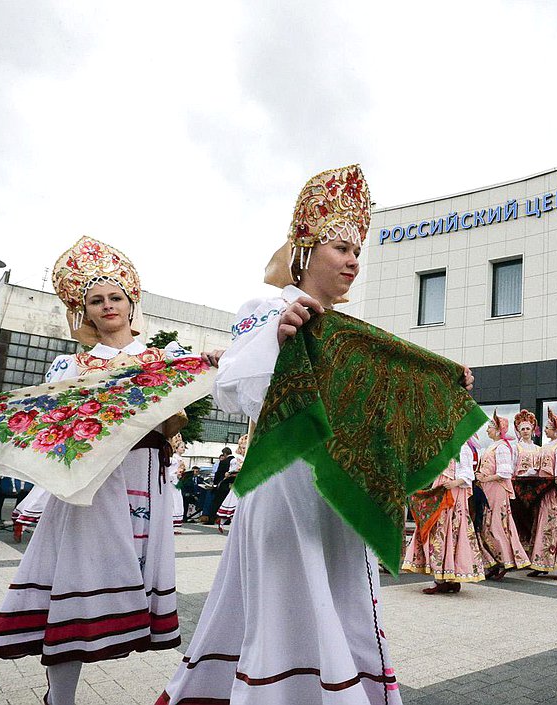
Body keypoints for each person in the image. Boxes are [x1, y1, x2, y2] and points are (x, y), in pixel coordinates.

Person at [159, 164, 475, 704]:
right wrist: (279, 342)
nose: (354, 260)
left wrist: (437, 390)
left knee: (345, 604)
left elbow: (374, 418)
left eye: (358, 252)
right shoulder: (266, 310)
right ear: (306, 247)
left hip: (340, 496)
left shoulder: (351, 337)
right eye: (341, 247)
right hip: (286, 489)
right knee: (286, 610)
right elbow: (236, 386)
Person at [0, 236, 217, 705]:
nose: (107, 306)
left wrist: (193, 379)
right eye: (96, 300)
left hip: (143, 476)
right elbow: (53, 426)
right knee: (74, 584)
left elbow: (172, 420)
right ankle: (59, 698)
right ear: (83, 311)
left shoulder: (164, 358)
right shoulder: (69, 364)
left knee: (120, 581)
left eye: (115, 297)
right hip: (89, 484)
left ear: (132, 303)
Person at [402, 442, 491, 593]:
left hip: (452, 493)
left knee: (447, 530)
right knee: (439, 530)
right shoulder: (445, 446)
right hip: (441, 488)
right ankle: (444, 578)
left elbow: (468, 473)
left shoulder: (462, 447)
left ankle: (445, 578)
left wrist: (455, 482)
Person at [475, 412, 529, 579]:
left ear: (498, 430)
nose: (487, 431)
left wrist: (485, 477)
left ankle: (504, 560)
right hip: (488, 488)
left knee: (496, 525)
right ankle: (493, 560)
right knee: (486, 524)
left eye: (490, 428)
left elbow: (505, 472)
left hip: (497, 490)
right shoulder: (493, 447)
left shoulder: (503, 448)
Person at [527, 408, 557, 580]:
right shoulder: (545, 447)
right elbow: (539, 468)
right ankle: (542, 563)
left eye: (548, 427)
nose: (545, 429)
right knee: (542, 524)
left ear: (556, 430)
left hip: (554, 492)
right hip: (544, 491)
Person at [214, 434, 245, 533]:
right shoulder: (236, 459)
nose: (244, 450)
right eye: (243, 447)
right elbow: (230, 472)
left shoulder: (248, 457)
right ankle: (226, 522)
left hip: (245, 484)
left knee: (236, 504)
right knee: (233, 504)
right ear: (239, 448)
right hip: (238, 484)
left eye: (246, 447)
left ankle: (231, 524)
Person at [200, 447, 232, 524]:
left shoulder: (224, 462)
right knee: (228, 503)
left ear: (224, 454)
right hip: (231, 486)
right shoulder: (235, 461)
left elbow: (218, 474)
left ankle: (211, 519)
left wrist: (215, 484)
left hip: (222, 485)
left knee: (215, 503)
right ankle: (226, 520)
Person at [168, 435, 187, 534]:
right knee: (174, 503)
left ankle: (175, 526)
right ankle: (171, 525)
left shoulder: (180, 459)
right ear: (176, 448)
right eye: (181, 447)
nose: (183, 449)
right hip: (173, 484)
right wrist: (177, 474)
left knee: (178, 503)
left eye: (184, 447)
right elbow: (170, 473)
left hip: (177, 483)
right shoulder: (174, 459)